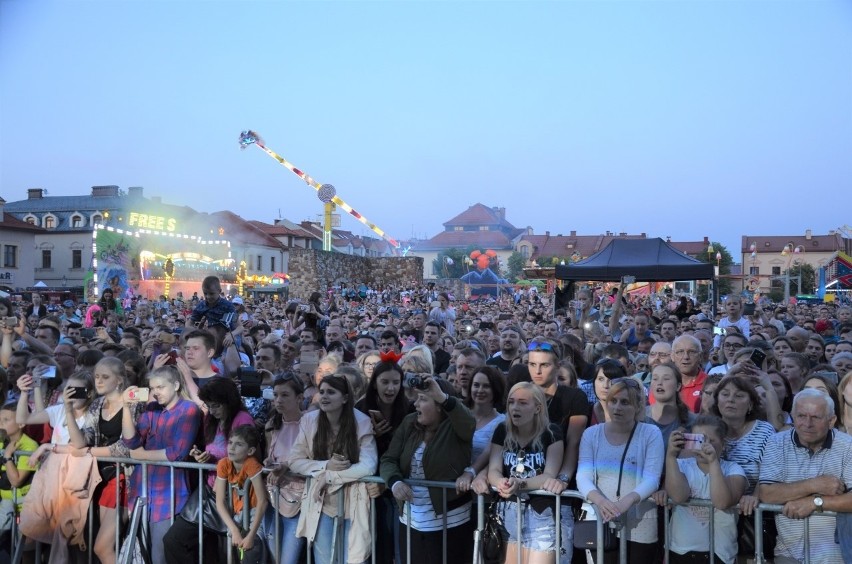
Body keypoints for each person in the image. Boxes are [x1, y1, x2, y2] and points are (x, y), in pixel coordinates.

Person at [380, 376, 475, 564]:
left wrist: (442, 396)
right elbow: (388, 459)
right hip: (411, 521)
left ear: (440, 404)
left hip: (450, 523)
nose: (415, 404)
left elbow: (469, 423)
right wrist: (394, 481)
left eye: (423, 399)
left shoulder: (456, 426)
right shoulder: (409, 423)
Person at [288, 375, 377, 564]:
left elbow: (368, 465)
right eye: (321, 392)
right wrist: (325, 465)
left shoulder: (361, 422)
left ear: (345, 398)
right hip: (322, 503)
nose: (324, 396)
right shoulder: (309, 421)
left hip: (353, 502)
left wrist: (329, 477)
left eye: (331, 392)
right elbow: (294, 460)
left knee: (353, 559)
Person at [759, 389, 852, 564]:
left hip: (835, 555)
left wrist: (814, 502)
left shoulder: (848, 446)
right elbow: (767, 493)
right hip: (788, 552)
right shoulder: (776, 442)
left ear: (831, 421)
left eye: (816, 417)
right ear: (792, 416)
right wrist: (815, 485)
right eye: (801, 416)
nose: (807, 424)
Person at [577, 378, 664, 563]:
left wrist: (626, 502)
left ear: (638, 405)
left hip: (641, 523)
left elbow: (652, 478)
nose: (617, 407)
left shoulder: (651, 433)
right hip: (599, 519)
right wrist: (601, 502)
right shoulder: (591, 434)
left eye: (625, 402)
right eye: (613, 401)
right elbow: (583, 476)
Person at [67, 357, 144, 564]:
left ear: (119, 380)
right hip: (99, 477)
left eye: (104, 377)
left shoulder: (133, 404)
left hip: (123, 478)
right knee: (103, 546)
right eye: (96, 377)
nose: (98, 381)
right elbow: (81, 442)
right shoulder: (98, 404)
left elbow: (125, 447)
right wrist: (68, 411)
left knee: (102, 547)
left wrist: (89, 452)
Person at [122, 366, 202, 564]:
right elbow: (131, 442)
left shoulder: (189, 409)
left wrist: (141, 456)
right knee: (141, 551)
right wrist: (125, 407)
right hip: (142, 490)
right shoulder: (152, 408)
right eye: (152, 388)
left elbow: (178, 452)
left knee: (160, 555)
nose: (155, 392)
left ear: (175, 385)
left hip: (169, 491)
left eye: (160, 387)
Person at [487, 382, 564, 564]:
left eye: (523, 403)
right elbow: (494, 469)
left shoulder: (552, 432)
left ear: (537, 408)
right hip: (507, 513)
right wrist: (500, 482)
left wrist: (519, 484)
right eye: (511, 402)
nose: (515, 407)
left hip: (541, 514)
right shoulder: (502, 430)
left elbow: (549, 475)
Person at [665, 415, 747, 563]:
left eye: (710, 440)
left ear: (723, 443)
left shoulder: (733, 469)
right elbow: (678, 496)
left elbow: (722, 502)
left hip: (720, 554)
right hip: (681, 552)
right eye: (698, 440)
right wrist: (670, 455)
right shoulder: (681, 465)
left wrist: (713, 462)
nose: (703, 445)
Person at [263, 376, 306, 564]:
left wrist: (287, 467)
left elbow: (313, 461)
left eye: (285, 395)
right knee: (273, 557)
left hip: (299, 502)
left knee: (289, 559)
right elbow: (269, 455)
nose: (278, 400)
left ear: (299, 397)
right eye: (276, 395)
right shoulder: (272, 425)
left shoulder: (310, 423)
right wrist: (269, 462)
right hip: (273, 498)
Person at [213, 424, 268, 564]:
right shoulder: (224, 464)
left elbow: (263, 501)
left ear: (250, 450)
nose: (231, 448)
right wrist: (234, 530)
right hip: (237, 515)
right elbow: (219, 501)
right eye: (230, 442)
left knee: (250, 553)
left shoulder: (251, 464)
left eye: (238, 444)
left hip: (255, 516)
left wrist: (251, 535)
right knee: (227, 551)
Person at [457, 366, 506, 494]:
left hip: (483, 491)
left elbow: (488, 452)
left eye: (486, 386)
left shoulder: (502, 422)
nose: (480, 390)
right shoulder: (460, 415)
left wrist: (470, 472)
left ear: (495, 389)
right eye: (476, 385)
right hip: (456, 488)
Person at [645, 362, 695, 449]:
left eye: (666, 379)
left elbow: (692, 459)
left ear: (678, 386)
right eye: (655, 379)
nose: (659, 383)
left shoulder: (693, 422)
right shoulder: (639, 417)